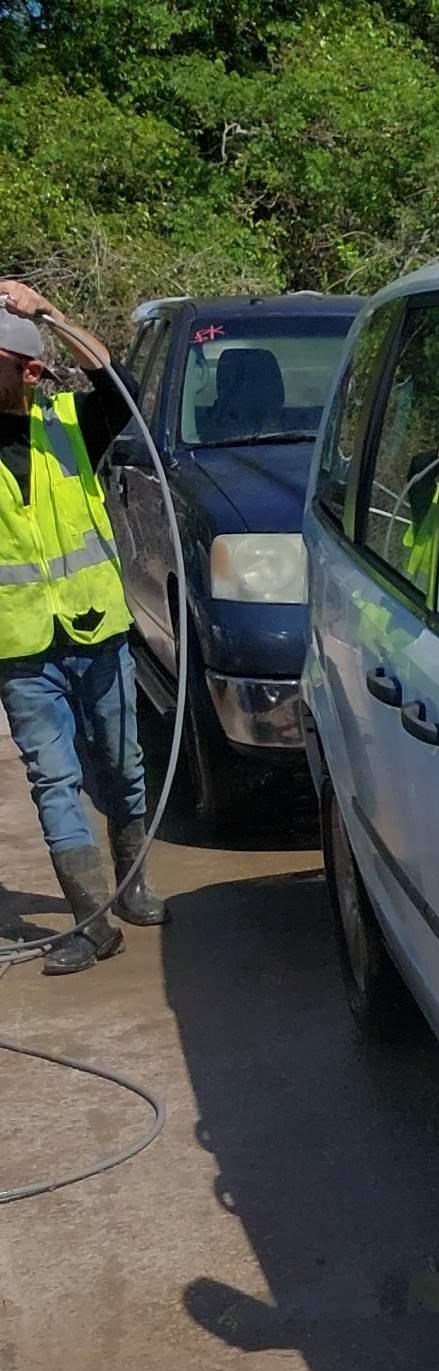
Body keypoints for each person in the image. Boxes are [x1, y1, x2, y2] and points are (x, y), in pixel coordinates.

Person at [0, 279, 163, 975]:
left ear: (28, 370)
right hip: (21, 650)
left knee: (123, 768)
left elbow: (119, 384)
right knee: (55, 782)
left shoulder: (71, 420)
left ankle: (130, 887)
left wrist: (51, 317)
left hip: (97, 634)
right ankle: (92, 921)